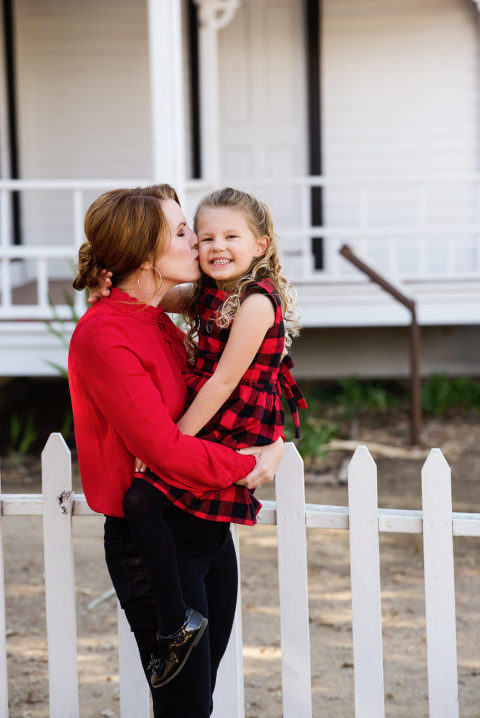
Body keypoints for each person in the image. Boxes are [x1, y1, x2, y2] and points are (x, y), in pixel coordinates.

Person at [68, 184, 284, 718]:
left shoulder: (157, 318)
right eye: (185, 231)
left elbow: (227, 385)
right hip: (155, 539)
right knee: (184, 708)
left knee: (196, 703)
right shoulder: (105, 334)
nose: (200, 243)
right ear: (145, 254)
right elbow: (162, 449)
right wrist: (251, 464)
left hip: (207, 524)